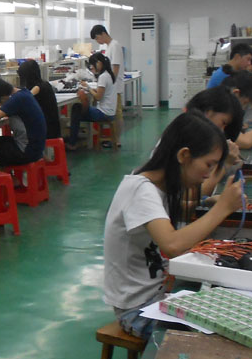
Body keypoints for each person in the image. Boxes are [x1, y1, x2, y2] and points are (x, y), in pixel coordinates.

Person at [103, 112, 244, 340]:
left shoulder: (157, 185)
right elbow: (171, 245)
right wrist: (222, 208)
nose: (208, 174)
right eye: (208, 165)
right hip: (138, 310)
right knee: (221, 335)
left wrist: (208, 203)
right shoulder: (141, 190)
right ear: (184, 155)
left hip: (160, 293)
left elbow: (171, 212)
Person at [0, 77, 46, 166]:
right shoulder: (23, 93)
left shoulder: (16, 100)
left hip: (27, 151)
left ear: (2, 98)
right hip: (36, 147)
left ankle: (0, 174)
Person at [65, 52, 117, 150]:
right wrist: (90, 89)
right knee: (78, 110)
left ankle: (72, 142)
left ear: (99, 63)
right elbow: (102, 91)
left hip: (103, 113)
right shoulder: (108, 74)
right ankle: (75, 138)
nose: (92, 67)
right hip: (109, 111)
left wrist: (88, 88)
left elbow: (98, 97)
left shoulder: (103, 77)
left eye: (93, 65)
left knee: (76, 109)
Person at [90, 24, 124, 147]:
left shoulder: (115, 46)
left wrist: (108, 85)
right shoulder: (109, 47)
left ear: (103, 34)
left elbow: (115, 68)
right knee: (115, 112)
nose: (98, 41)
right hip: (112, 86)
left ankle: (117, 140)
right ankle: (114, 139)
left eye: (97, 38)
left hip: (115, 87)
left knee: (117, 113)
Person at [17, 59, 61, 140]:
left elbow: (25, 98)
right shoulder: (45, 84)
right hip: (52, 129)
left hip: (46, 131)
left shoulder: (37, 88)